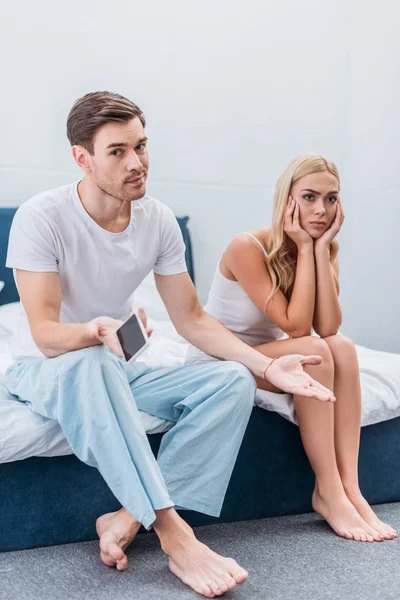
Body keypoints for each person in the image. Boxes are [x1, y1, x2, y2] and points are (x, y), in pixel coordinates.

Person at [5, 95, 336, 598]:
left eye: (141, 146)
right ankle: (172, 532)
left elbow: (193, 319)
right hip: (47, 369)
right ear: (82, 158)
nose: (136, 162)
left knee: (228, 378)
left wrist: (265, 368)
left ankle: (125, 518)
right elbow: (45, 335)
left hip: (119, 365)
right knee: (91, 361)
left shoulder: (156, 220)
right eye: (117, 151)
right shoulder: (41, 217)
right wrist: (95, 332)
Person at [186, 153, 397, 544]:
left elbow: (329, 326)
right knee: (314, 352)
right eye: (310, 196)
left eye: (331, 198)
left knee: (343, 348)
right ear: (288, 200)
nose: (321, 209)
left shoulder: (322, 247)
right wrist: (303, 248)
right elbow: (297, 326)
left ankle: (351, 488)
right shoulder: (245, 247)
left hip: (272, 358)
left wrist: (319, 250)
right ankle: (328, 491)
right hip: (221, 360)